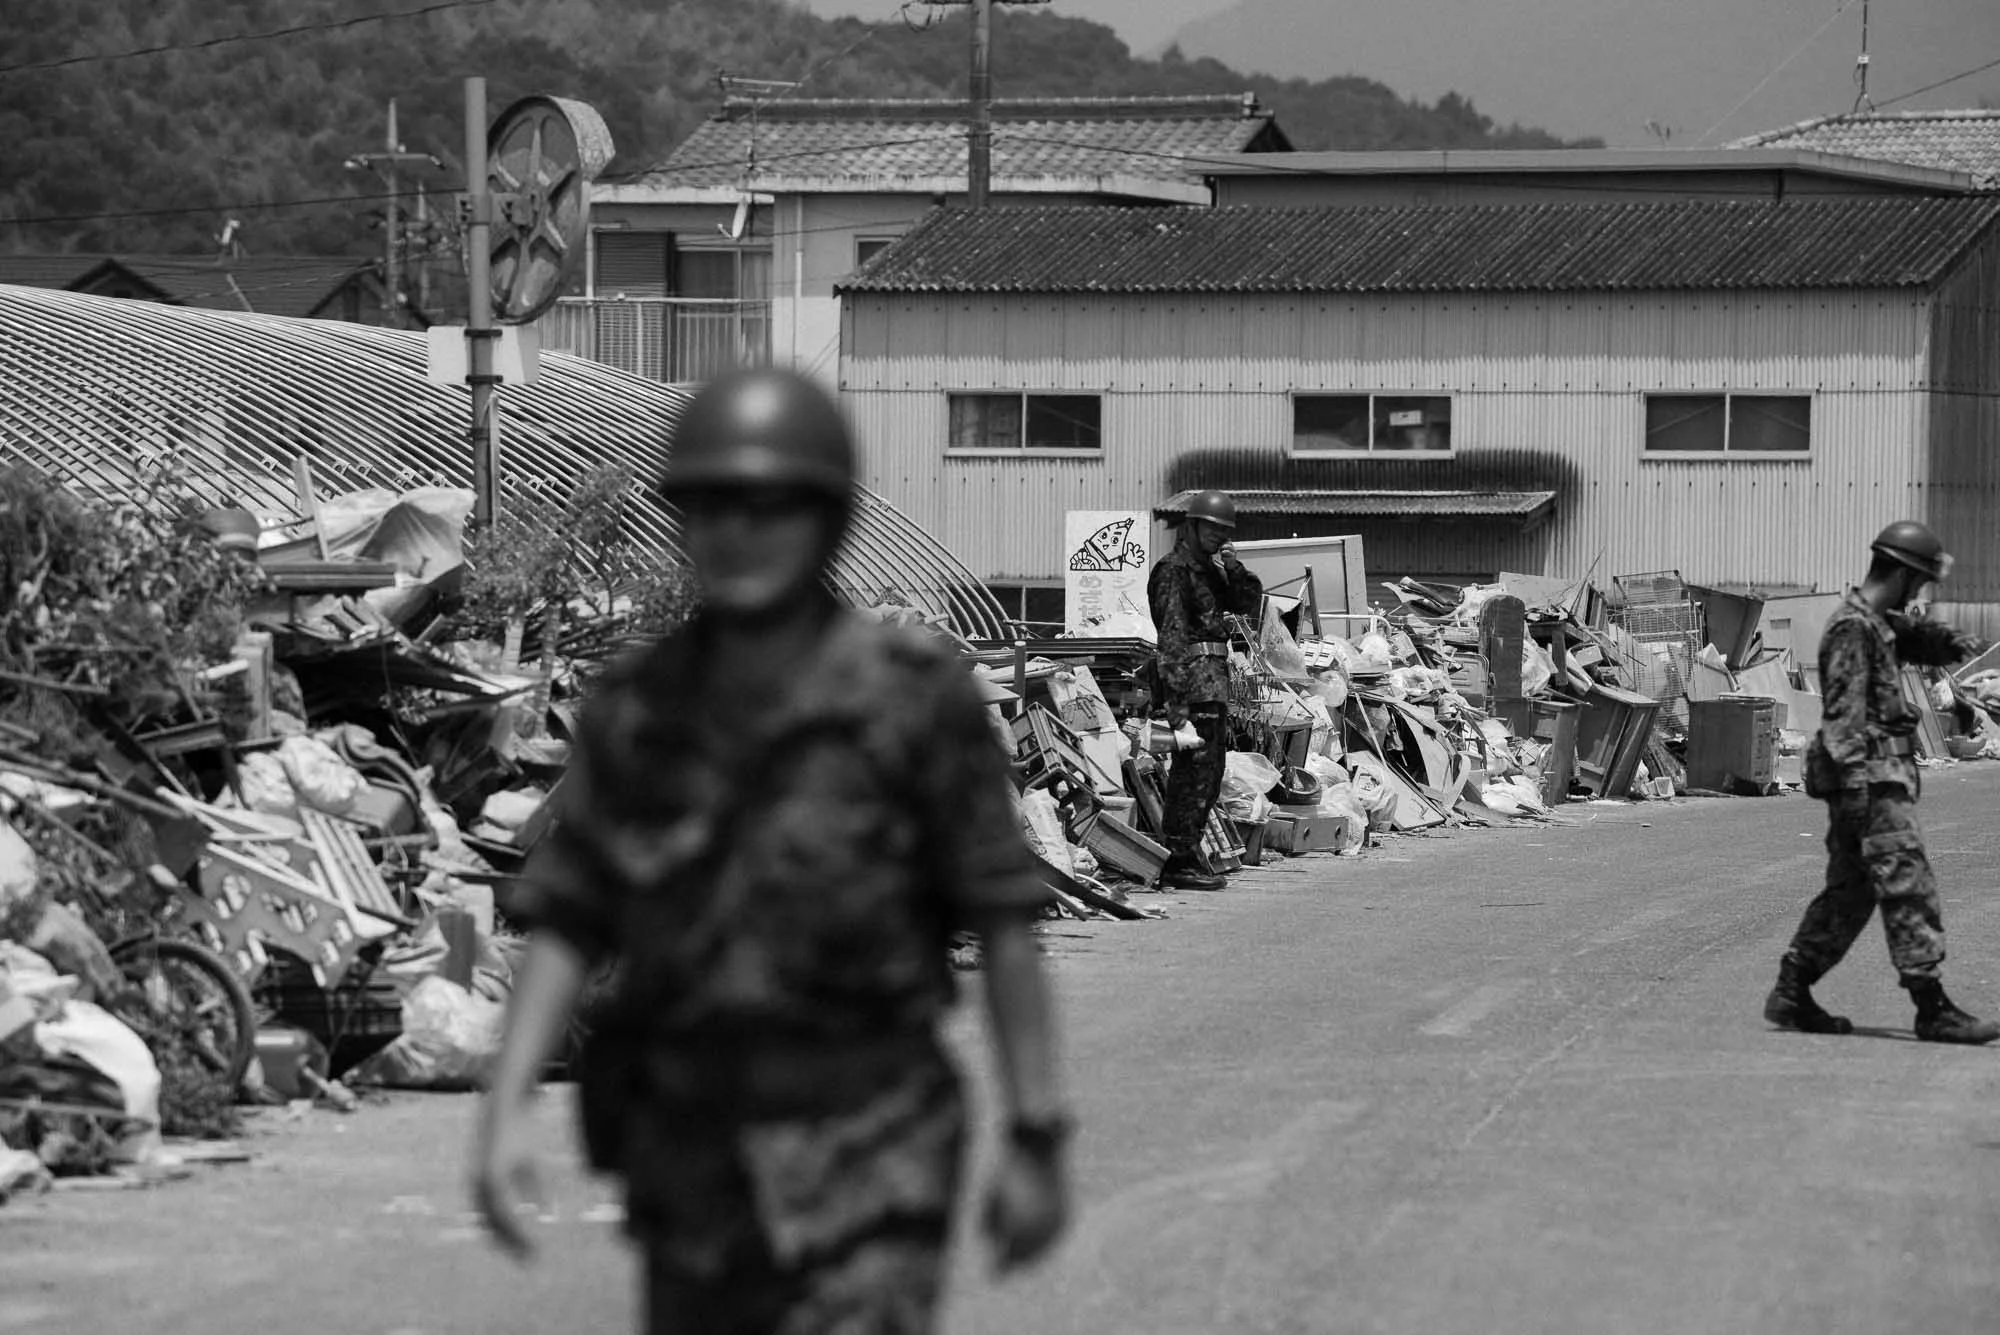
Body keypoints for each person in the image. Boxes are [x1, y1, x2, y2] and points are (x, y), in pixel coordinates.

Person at [471, 367, 1071, 1333]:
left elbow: (1003, 919)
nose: (736, 532)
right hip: (690, 1151)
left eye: (769, 506)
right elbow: (571, 916)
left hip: (870, 1144)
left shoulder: (913, 700)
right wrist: (504, 1109)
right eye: (710, 506)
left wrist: (1037, 1129)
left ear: (824, 518)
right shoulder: (638, 710)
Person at [1764, 519, 1998, 1044]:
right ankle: (1931, 1006)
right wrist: (1855, 793)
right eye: (1917, 582)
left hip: (1870, 779)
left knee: (1851, 893)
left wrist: (1963, 642)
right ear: (1898, 573)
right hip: (1867, 781)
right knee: (1907, 881)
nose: (1918, 594)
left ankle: (1792, 990)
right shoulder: (1854, 628)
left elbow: (1922, 639)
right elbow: (1844, 718)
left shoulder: (1878, 625)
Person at [1147, 489, 1263, 892]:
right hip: (1192, 683)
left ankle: (1187, 853)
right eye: (1211, 529)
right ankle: (1177, 860)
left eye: (1224, 531)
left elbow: (1248, 601)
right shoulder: (1174, 570)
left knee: (1209, 773)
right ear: (1192, 526)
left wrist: (1233, 566)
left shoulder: (1210, 570)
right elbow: (1172, 635)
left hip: (1212, 681)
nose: (1217, 537)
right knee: (1192, 775)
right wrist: (1175, 697)